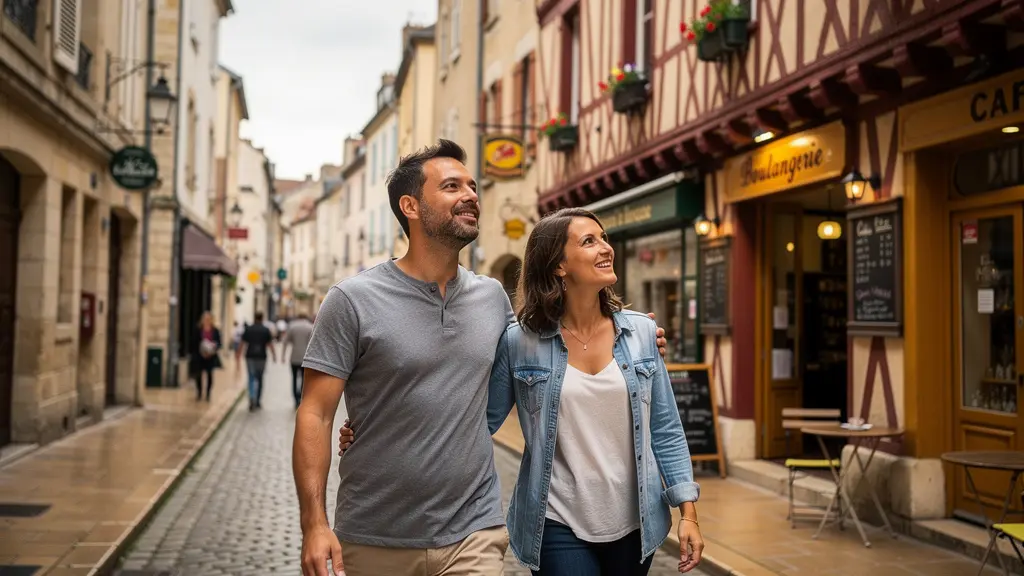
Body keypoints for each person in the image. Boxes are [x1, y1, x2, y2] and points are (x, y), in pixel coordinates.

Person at [293, 139, 669, 576]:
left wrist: (633, 340)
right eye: (452, 186)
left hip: (474, 531)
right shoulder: (352, 300)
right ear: (410, 206)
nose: (471, 195)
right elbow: (315, 414)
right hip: (376, 534)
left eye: (472, 185)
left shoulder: (491, 297)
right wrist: (314, 524)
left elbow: (543, 352)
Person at [486, 208, 704, 574]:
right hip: (555, 518)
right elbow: (481, 424)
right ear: (559, 265)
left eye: (603, 238)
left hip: (636, 520)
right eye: (589, 241)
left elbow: (665, 428)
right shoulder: (520, 342)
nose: (606, 248)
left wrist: (688, 512)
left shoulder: (642, 334)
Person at [237, 311, 276, 411]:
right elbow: (269, 344)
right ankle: (258, 400)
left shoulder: (248, 329)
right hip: (261, 357)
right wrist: (274, 355)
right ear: (262, 318)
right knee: (260, 378)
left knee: (251, 377)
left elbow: (242, 343)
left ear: (254, 318)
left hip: (250, 356)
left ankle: (252, 397)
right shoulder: (265, 330)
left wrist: (238, 354)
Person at [282, 313, 315, 408]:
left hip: (294, 357)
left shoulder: (292, 327)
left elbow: (285, 342)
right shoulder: (310, 327)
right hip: (306, 358)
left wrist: (283, 356)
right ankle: (301, 397)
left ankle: (295, 399)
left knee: (294, 378)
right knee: (304, 380)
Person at [189, 311, 222, 401]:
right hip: (200, 356)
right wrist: (201, 351)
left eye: (208, 319)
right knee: (198, 375)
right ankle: (199, 392)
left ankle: (208, 393)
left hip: (210, 356)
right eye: (205, 319)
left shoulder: (215, 330)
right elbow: (194, 342)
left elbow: (219, 343)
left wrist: (213, 348)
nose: (207, 321)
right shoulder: (198, 329)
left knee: (209, 375)